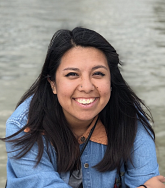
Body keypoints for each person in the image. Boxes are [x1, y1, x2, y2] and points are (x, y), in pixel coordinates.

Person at [1, 27, 165, 188]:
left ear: (111, 81)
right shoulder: (24, 125)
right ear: (53, 84)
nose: (87, 87)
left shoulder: (130, 116)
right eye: (72, 74)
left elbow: (149, 180)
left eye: (98, 73)